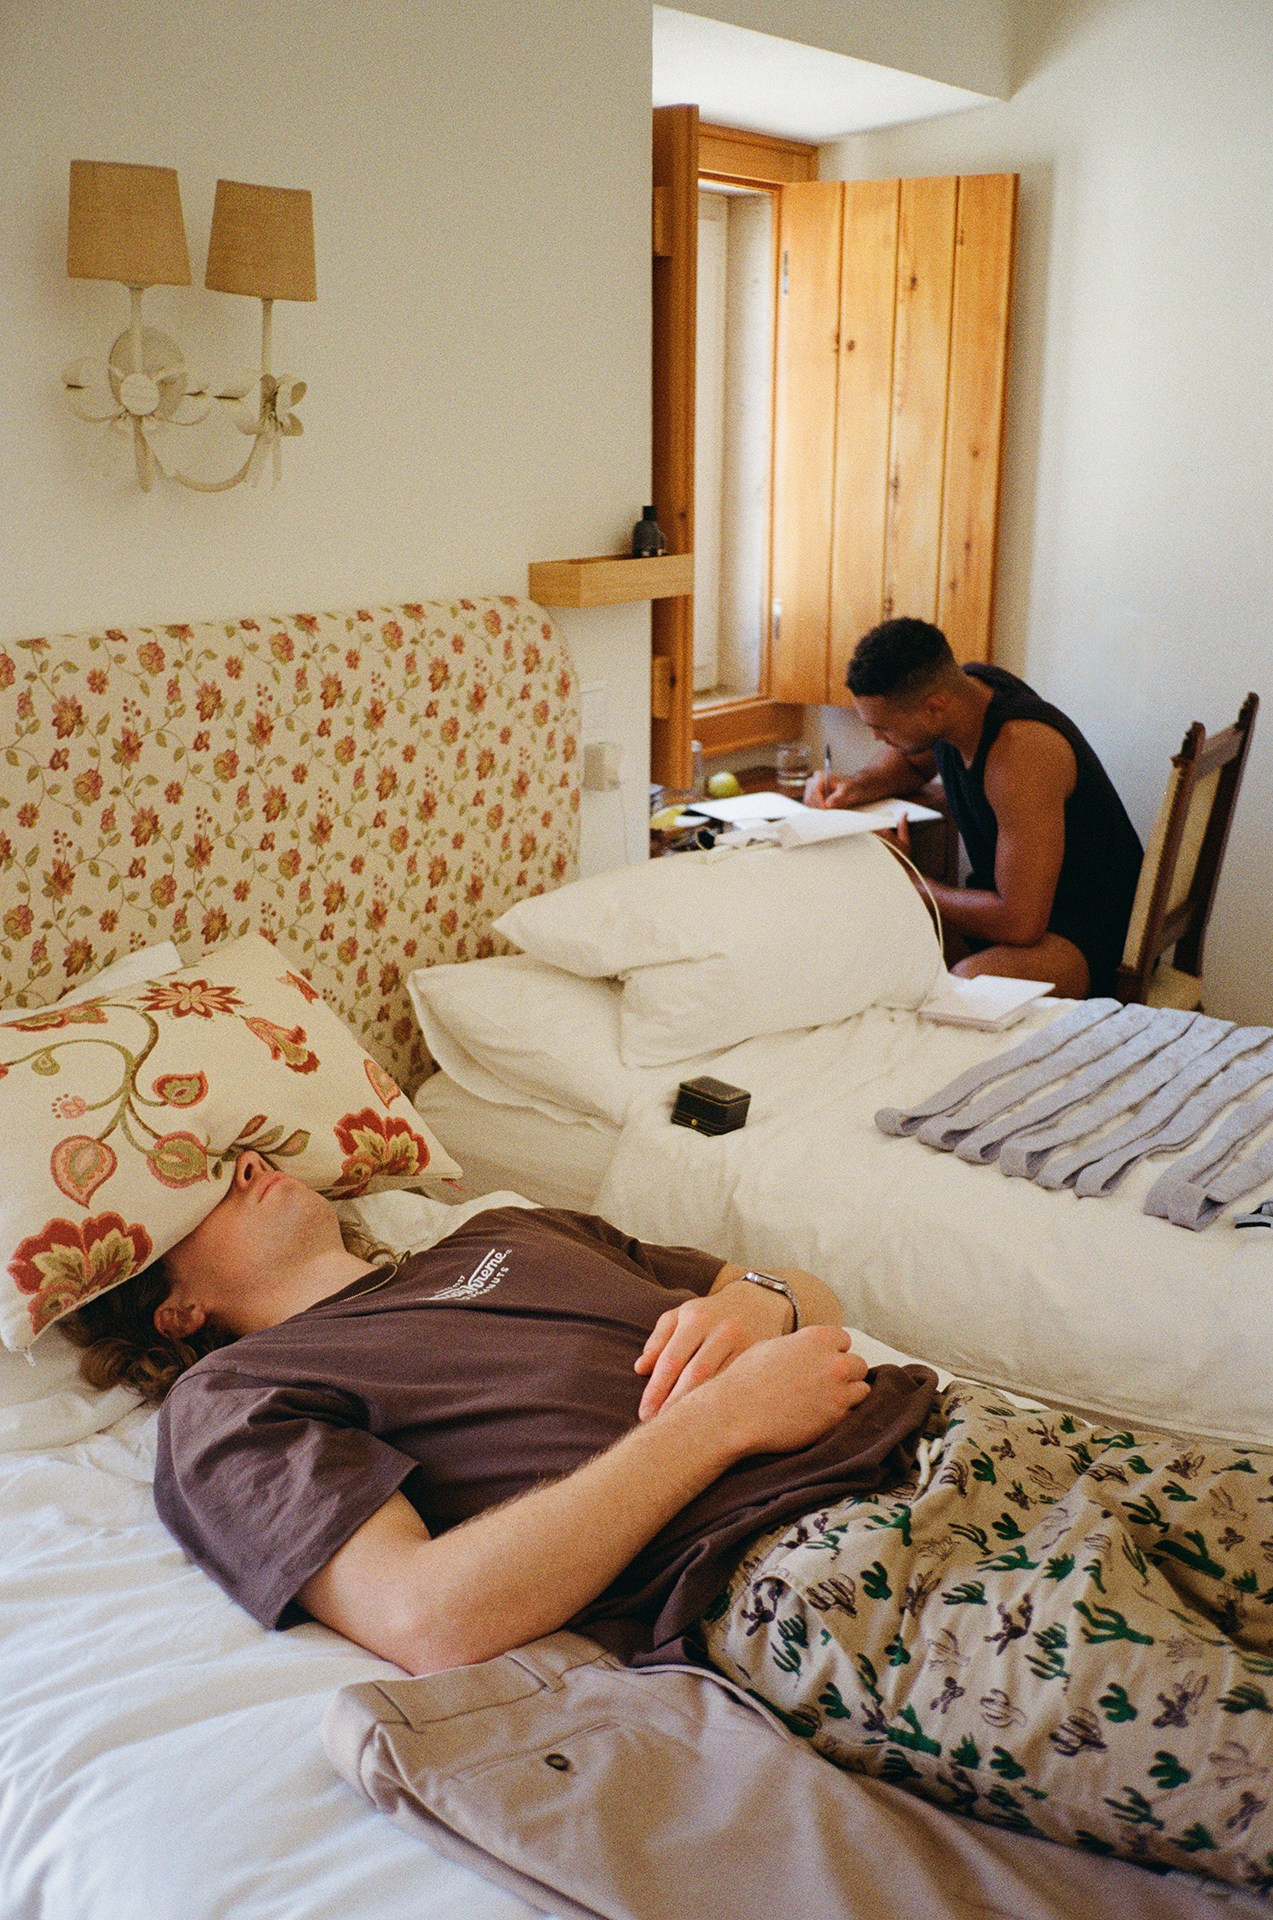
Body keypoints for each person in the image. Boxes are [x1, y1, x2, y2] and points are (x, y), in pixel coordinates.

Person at [66, 1155, 1273, 1894]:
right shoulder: (233, 1402)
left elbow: (788, 1290)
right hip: (826, 1574)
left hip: (976, 1433)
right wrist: (725, 1420)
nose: (243, 1167)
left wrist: (757, 1306)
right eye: (201, 1196)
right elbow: (426, 1617)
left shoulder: (504, 1230)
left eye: (234, 1155)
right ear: (173, 1306)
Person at [805, 618, 1144, 1000]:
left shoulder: (1021, 753)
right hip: (1024, 912)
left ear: (934, 708)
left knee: (968, 989)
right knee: (872, 944)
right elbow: (912, 761)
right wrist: (855, 787)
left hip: (1089, 934)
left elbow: (1020, 923)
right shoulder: (964, 694)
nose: (875, 737)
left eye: (883, 727)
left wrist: (910, 879)